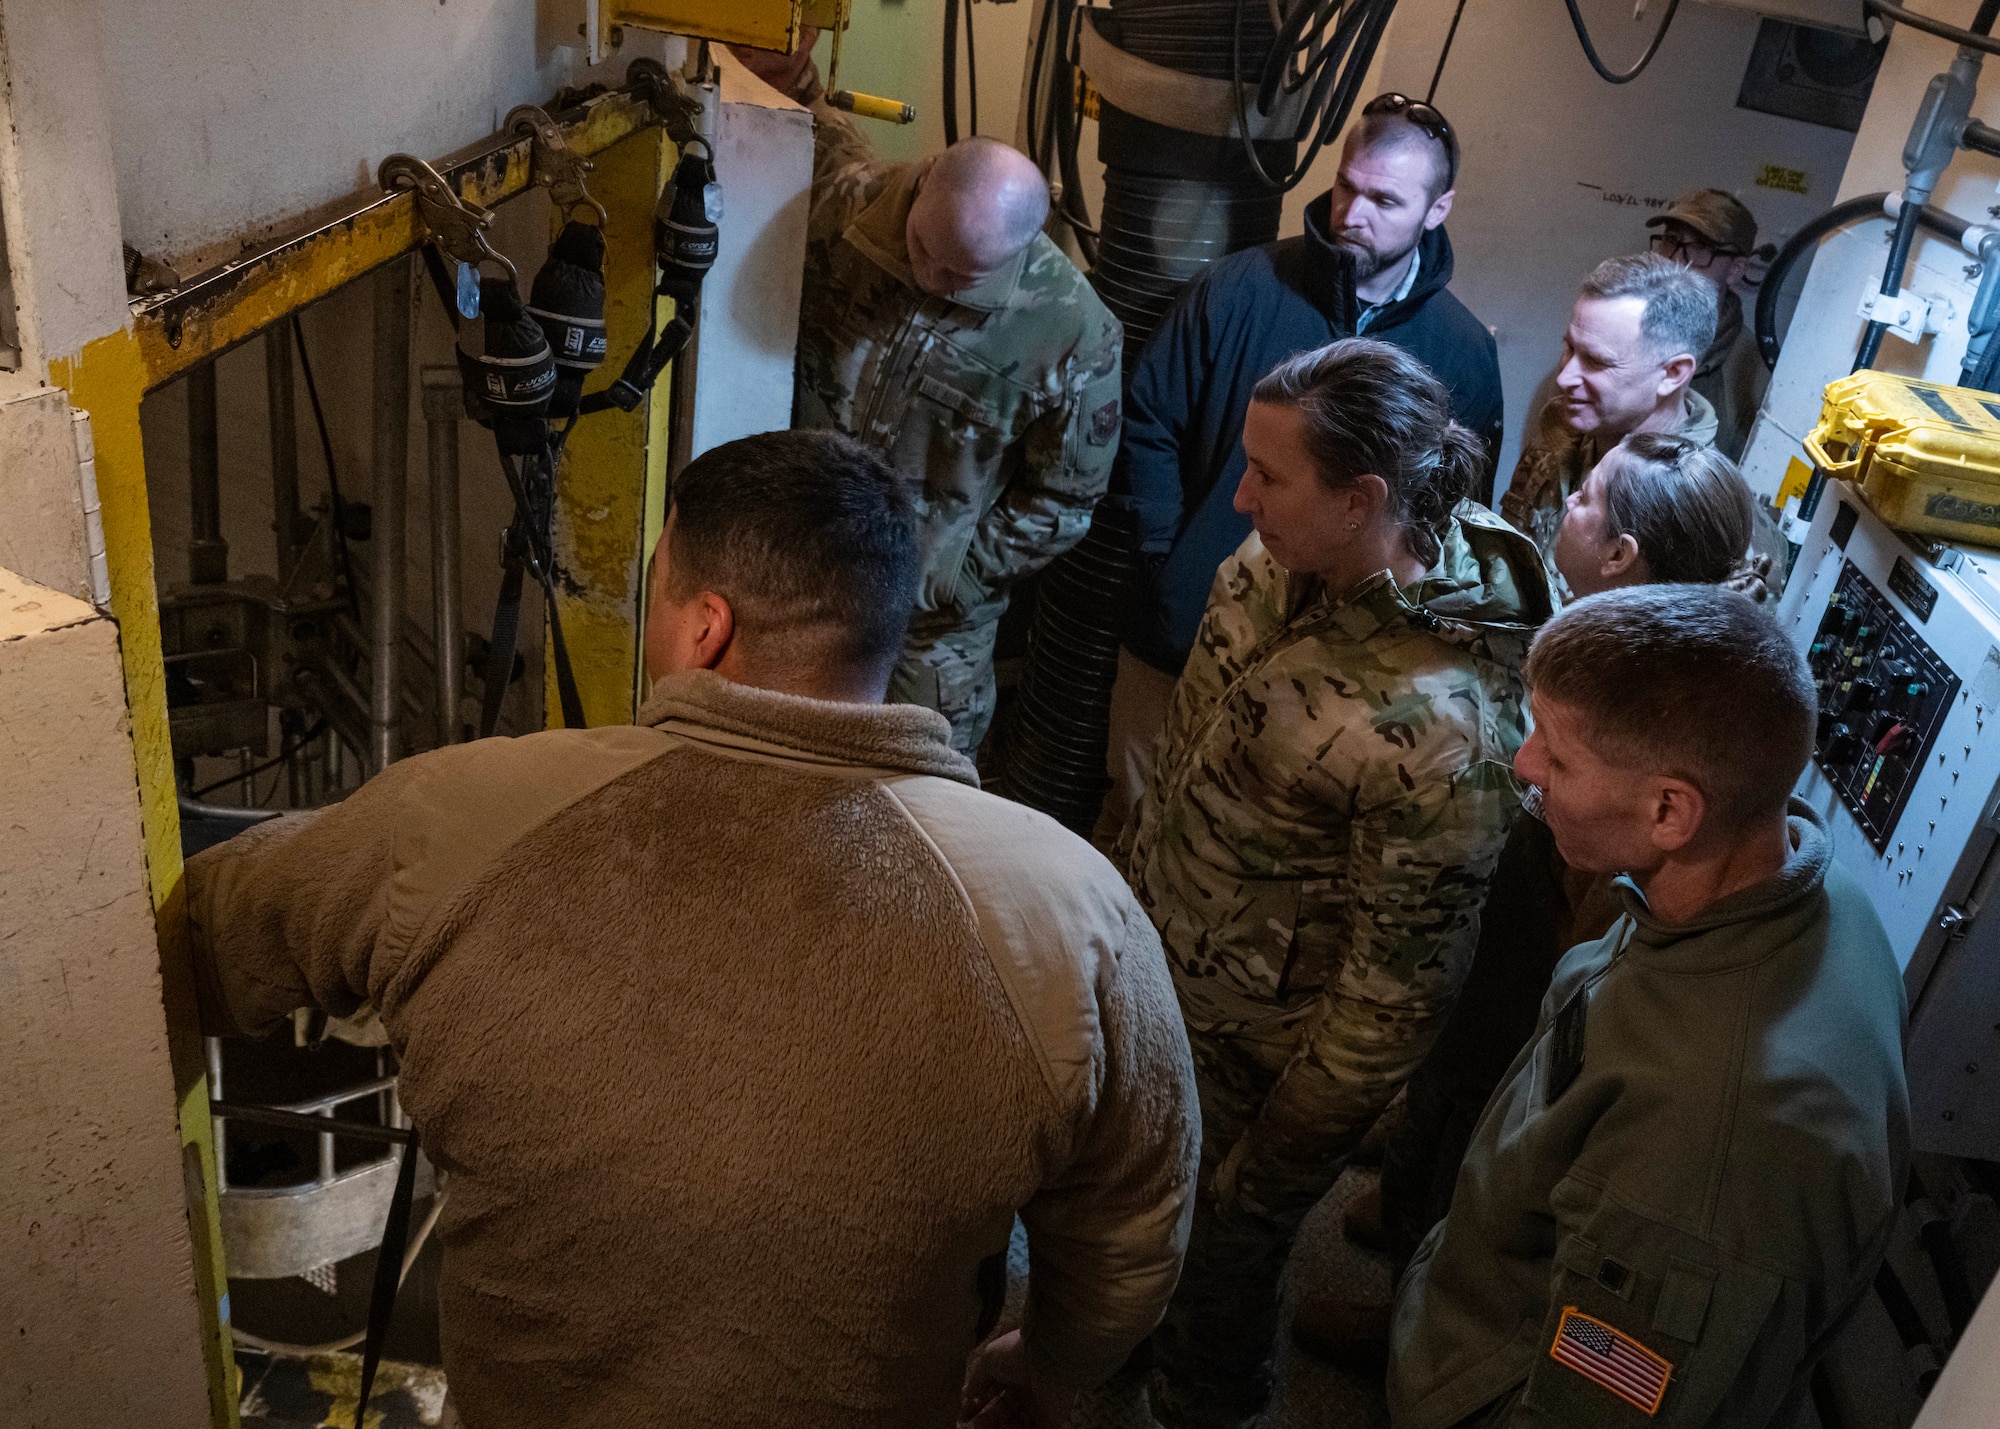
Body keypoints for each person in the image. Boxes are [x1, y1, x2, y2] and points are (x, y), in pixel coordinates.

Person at [184, 430, 1200, 1429]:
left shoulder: (458, 816)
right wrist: (1055, 1358)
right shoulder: (1068, 908)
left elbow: (201, 939)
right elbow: (1130, 1230)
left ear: (706, 626)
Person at [1117, 339, 1552, 1428]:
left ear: (1362, 498)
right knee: (1127, 1225)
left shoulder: (1440, 726)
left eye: (1269, 475)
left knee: (1213, 1278)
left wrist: (1275, 1167)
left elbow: (1396, 994)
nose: (1239, 494)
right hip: (1162, 972)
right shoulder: (1272, 567)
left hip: (1256, 1057)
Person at [1388, 584, 1908, 1428]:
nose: (1524, 763)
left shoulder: (1720, 1141)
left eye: (1557, 757)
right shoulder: (1802, 889)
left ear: (1671, 810)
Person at [1319, 434, 1762, 1304]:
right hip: (1517, 905)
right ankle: (1408, 1186)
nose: (1569, 502)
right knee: (1451, 1068)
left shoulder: (1643, 692)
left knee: (1480, 1103)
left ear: (1621, 554)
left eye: (1588, 496)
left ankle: (1413, 1294)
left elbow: (1594, 894)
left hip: (1546, 939)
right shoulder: (1593, 629)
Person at [1099, 93, 1505, 836]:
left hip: (1342, 681)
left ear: (1438, 207)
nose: (1353, 213)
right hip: (1182, 637)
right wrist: (1167, 559)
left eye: (1386, 199)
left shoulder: (1464, 352)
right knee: (1139, 815)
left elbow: (1453, 509)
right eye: (1348, 185)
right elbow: (1148, 417)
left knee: (1262, 851)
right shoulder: (1240, 289)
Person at [736, 40, 1124, 758]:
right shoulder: (854, 206)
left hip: (931, 626)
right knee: (775, 762)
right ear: (920, 189)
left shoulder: (1072, 332)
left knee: (919, 790)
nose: (935, 277)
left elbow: (1065, 500)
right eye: (924, 251)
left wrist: (957, 575)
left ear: (1022, 250)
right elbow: (812, 130)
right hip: (800, 569)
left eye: (963, 274)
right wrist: (785, 72)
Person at [1500, 253, 1719, 580]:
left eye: (1596, 362)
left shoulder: (1699, 515)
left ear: (1673, 373)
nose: (1564, 378)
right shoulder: (1561, 431)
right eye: (1570, 349)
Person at [1647, 188, 1769, 460]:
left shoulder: (1751, 370)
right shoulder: (1621, 335)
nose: (1676, 260)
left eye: (1700, 248)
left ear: (1735, 269)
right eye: (1670, 240)